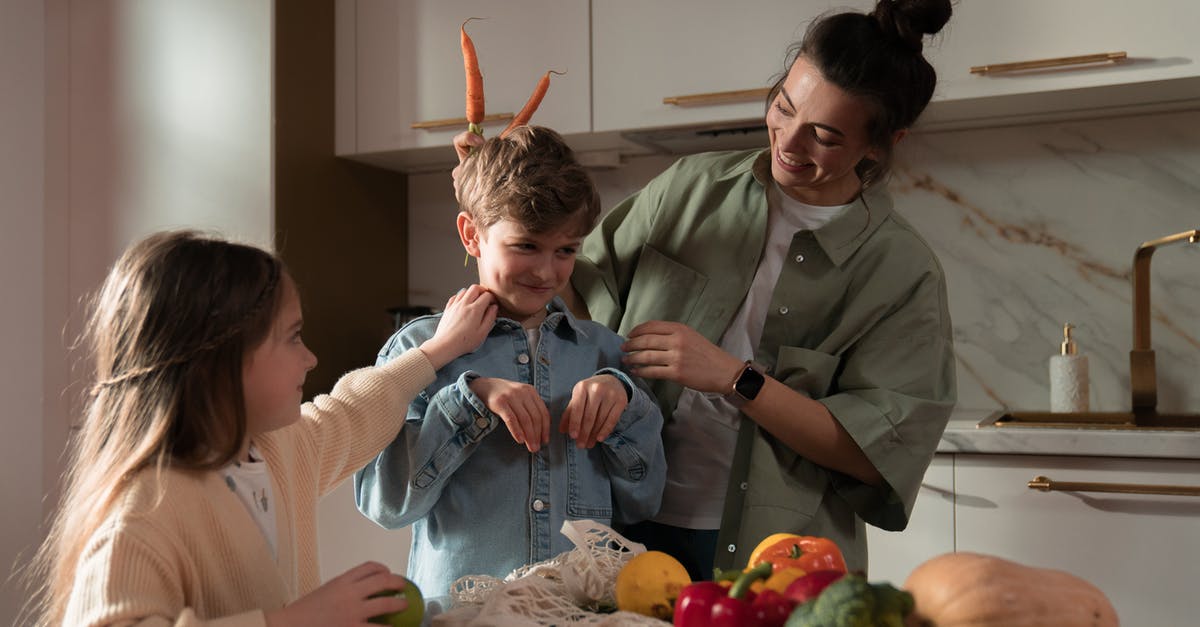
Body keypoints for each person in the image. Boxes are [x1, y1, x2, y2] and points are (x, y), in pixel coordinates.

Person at [450, 0, 957, 582]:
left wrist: (735, 378)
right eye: (783, 108)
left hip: (777, 554)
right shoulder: (689, 187)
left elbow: (877, 453)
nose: (789, 143)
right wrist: (490, 207)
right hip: (619, 522)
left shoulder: (901, 269)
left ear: (882, 142)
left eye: (824, 136)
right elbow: (561, 283)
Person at [24, 230, 496, 627]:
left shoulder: (275, 450)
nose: (310, 358)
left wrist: (437, 352)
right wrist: (297, 621)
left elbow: (351, 414)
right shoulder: (142, 518)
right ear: (218, 363)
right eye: (292, 337)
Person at [355, 125, 667, 598]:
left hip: (579, 612)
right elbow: (385, 503)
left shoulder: (605, 354)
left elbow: (642, 502)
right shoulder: (419, 350)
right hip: (464, 617)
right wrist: (468, 402)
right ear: (471, 235)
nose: (547, 271)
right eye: (526, 245)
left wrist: (625, 403)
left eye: (565, 250)